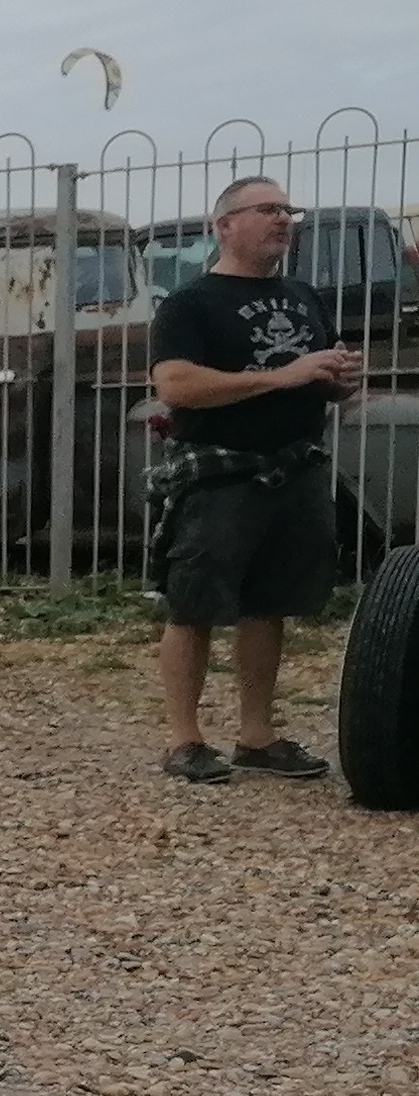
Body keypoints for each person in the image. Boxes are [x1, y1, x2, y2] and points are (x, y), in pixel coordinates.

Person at [144, 175, 355, 782]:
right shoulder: (191, 302)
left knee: (270, 604)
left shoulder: (303, 296)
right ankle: (184, 741)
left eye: (288, 209)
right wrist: (284, 375)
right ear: (225, 225)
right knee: (193, 606)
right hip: (221, 473)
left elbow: (318, 377)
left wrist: (337, 381)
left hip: (296, 468)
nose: (283, 219)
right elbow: (176, 385)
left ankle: (256, 737)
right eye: (267, 209)